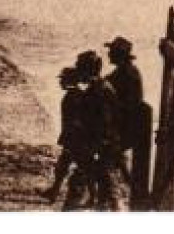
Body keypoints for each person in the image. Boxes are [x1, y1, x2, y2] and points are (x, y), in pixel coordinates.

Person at [104, 36, 149, 205]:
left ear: (119, 55)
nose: (109, 54)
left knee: (106, 155)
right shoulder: (125, 71)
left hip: (128, 126)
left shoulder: (128, 74)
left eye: (111, 51)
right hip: (127, 124)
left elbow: (129, 105)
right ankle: (135, 191)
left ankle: (125, 196)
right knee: (116, 160)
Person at [72, 49, 119, 210]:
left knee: (104, 176)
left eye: (80, 68)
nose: (78, 72)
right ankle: (99, 202)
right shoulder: (99, 86)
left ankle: (110, 207)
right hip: (99, 139)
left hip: (102, 140)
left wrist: (100, 142)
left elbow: (105, 119)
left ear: (88, 70)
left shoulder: (99, 89)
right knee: (100, 175)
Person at [43, 67, 88, 207]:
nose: (60, 82)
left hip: (75, 140)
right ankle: (54, 191)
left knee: (83, 168)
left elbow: (75, 121)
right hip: (73, 138)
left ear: (69, 80)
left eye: (63, 79)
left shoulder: (73, 96)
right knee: (62, 167)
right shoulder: (76, 94)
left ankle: (91, 197)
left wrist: (71, 140)